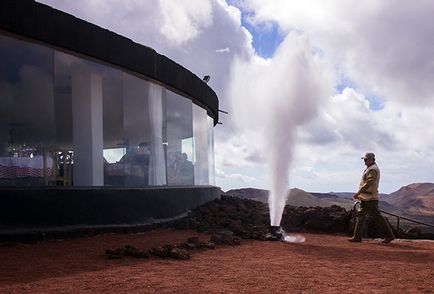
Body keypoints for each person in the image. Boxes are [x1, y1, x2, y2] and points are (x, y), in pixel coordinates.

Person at [348, 152, 395, 243]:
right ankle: (357, 237)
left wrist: (358, 192)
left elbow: (369, 182)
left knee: (377, 216)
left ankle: (389, 235)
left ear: (371, 159)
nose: (364, 162)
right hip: (366, 197)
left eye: (365, 160)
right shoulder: (370, 168)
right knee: (362, 215)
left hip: (370, 198)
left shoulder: (373, 169)